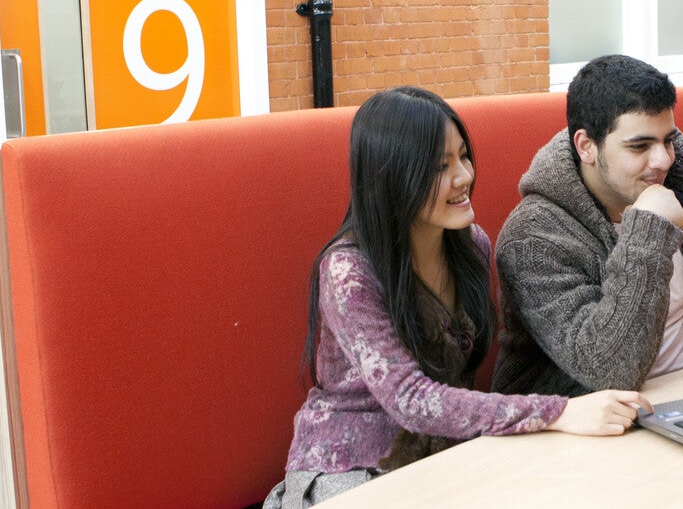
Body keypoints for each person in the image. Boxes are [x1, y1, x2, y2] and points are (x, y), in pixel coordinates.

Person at [264, 86, 650, 508]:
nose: (464, 175)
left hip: (442, 462)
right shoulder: (349, 271)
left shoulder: (472, 246)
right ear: (392, 177)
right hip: (348, 473)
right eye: (439, 166)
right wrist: (559, 412)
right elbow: (411, 399)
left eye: (463, 156)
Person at [492, 55, 683, 397]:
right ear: (586, 147)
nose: (663, 160)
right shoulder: (532, 239)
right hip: (598, 422)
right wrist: (648, 231)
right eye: (639, 146)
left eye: (668, 140)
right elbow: (610, 371)